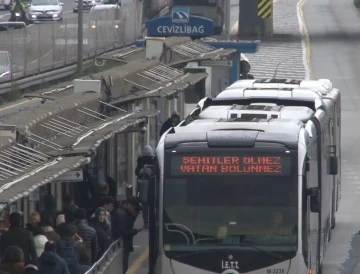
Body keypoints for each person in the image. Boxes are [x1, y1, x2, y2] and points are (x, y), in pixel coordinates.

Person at [111, 197, 142, 273]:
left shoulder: (125, 214)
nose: (135, 211)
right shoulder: (122, 215)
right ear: (129, 205)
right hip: (122, 245)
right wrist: (135, 231)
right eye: (135, 209)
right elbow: (122, 232)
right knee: (123, 267)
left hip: (124, 246)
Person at [135, 145, 157, 230]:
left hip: (143, 185)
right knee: (152, 205)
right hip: (152, 185)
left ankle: (146, 223)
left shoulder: (140, 161)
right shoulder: (154, 160)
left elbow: (136, 172)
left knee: (145, 204)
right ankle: (151, 222)